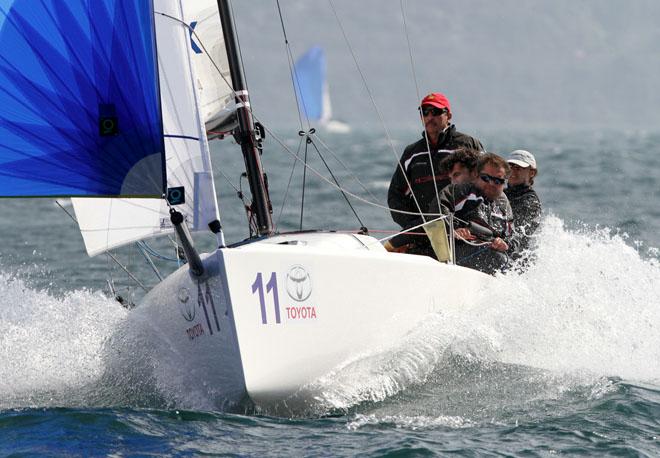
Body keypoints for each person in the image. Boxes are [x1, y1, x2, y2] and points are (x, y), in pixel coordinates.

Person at [386, 93, 484, 253]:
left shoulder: (468, 144)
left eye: (436, 112)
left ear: (449, 115)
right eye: (425, 112)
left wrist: (467, 225)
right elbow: (396, 196)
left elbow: (485, 186)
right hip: (424, 234)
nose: (430, 116)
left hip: (463, 235)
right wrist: (415, 225)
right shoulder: (412, 152)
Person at [430, 153, 515, 274]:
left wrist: (505, 244)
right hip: (456, 252)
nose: (491, 184)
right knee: (499, 260)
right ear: (476, 175)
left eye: (498, 181)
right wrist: (453, 230)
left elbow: (513, 236)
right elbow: (437, 211)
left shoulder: (503, 203)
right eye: (486, 178)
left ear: (504, 183)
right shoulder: (460, 191)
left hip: (491, 254)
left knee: (513, 264)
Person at [505, 149, 542, 258]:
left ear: (532, 173)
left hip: (516, 259)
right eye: (510, 167)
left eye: (518, 168)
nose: (513, 171)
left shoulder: (531, 201)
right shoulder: (500, 193)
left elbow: (516, 232)